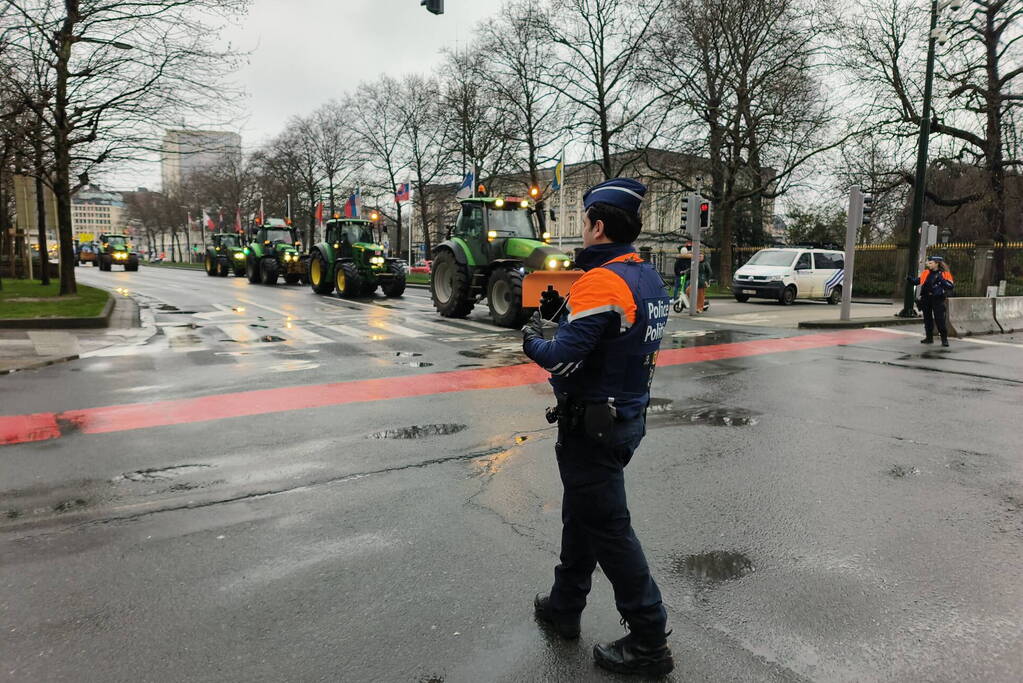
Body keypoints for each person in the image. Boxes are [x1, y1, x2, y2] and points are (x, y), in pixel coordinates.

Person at [521, 178, 674, 677]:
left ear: (598, 225)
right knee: (583, 511)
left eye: (585, 221)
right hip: (626, 418)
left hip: (592, 423)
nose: (582, 229)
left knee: (609, 530)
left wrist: (533, 339)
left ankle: (649, 639)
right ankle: (565, 606)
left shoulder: (601, 280)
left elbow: (562, 361)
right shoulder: (648, 277)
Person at [909, 256, 954, 346]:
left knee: (939, 319)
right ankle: (929, 338)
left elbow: (950, 286)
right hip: (926, 298)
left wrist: (941, 280)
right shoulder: (926, 273)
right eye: (928, 263)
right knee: (927, 319)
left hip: (937, 299)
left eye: (930, 263)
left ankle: (944, 339)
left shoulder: (945, 273)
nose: (928, 264)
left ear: (936, 263)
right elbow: (918, 281)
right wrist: (910, 279)